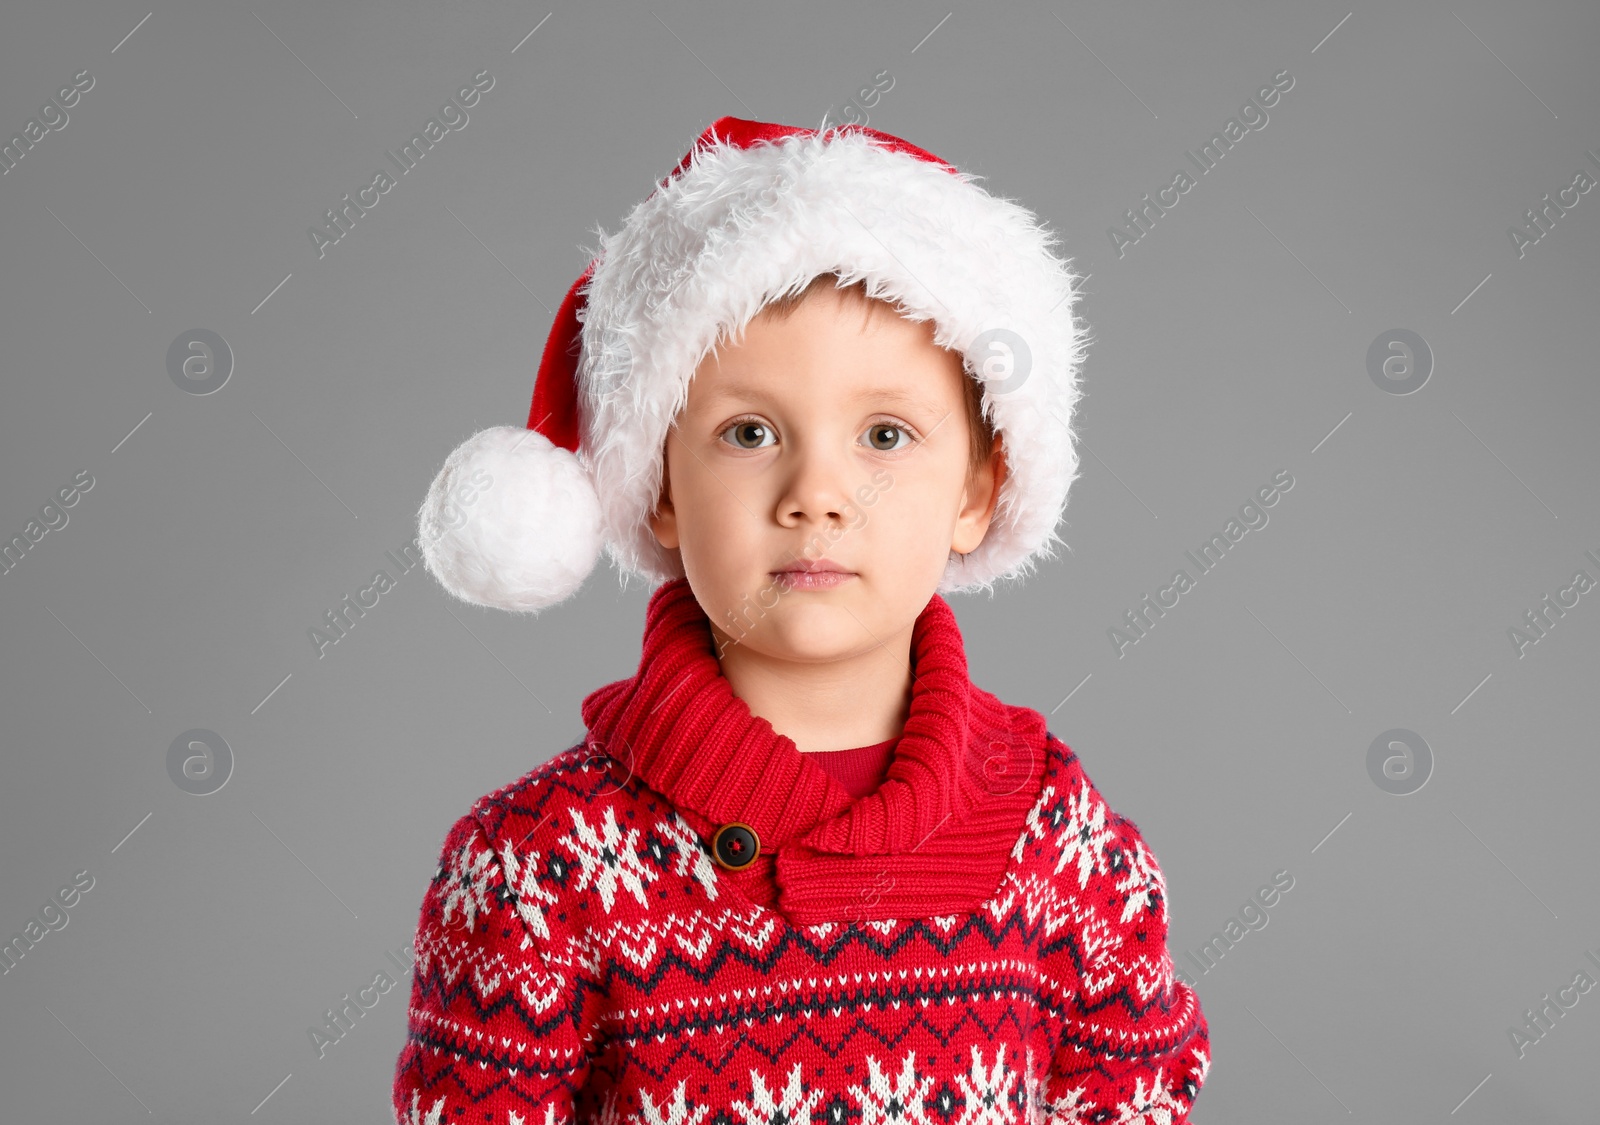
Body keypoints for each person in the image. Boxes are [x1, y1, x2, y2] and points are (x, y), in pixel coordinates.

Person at [393, 115, 1210, 1125]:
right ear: (655, 487)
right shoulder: (534, 869)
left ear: (976, 490)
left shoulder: (1058, 838)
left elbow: (1137, 1093)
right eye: (748, 432)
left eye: (884, 434)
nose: (817, 494)